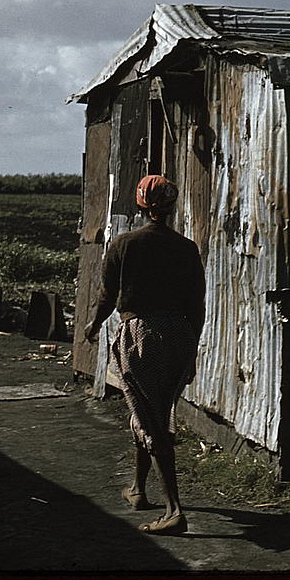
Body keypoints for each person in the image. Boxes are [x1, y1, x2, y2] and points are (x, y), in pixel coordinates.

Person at [85, 175, 205, 536]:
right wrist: (191, 347)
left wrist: (93, 325)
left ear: (140, 205)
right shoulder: (186, 248)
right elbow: (196, 305)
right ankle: (138, 490)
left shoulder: (124, 244)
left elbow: (107, 296)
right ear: (171, 206)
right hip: (178, 335)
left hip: (141, 336)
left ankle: (174, 511)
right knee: (152, 410)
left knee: (150, 421)